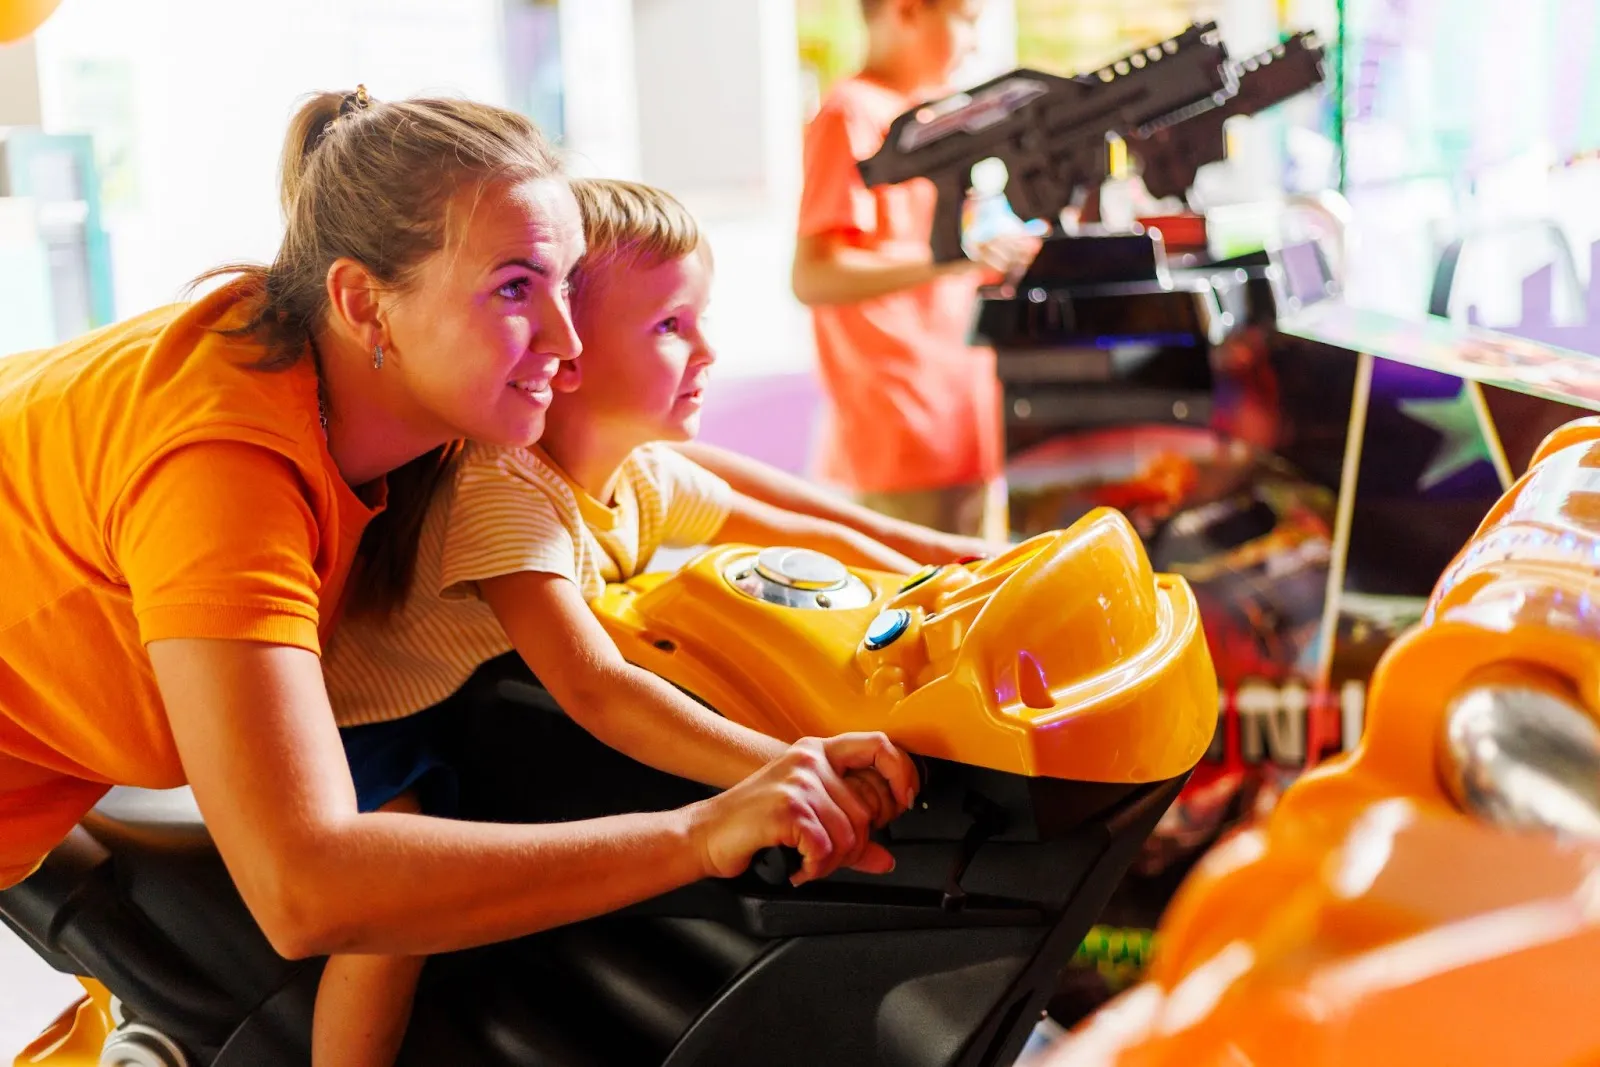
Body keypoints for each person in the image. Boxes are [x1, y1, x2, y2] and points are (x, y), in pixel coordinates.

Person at [0, 85, 918, 1045]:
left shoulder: (407, 397)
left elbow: (670, 471)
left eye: (565, 287)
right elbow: (305, 887)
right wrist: (703, 833)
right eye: (516, 287)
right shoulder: (223, 467)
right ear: (363, 302)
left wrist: (945, 561)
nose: (566, 343)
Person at [315, 177, 926, 1066]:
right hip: (369, 724)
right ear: (568, 356)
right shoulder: (506, 491)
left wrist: (960, 573)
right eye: (671, 327)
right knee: (397, 903)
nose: (709, 350)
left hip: (474, 713)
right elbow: (599, 690)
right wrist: (782, 771)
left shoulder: (636, 475)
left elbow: (818, 528)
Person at [791, 0, 1038, 540]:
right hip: (905, 425)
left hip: (962, 414)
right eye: (967, 22)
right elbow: (813, 275)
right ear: (907, 12)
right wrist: (953, 260)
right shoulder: (850, 113)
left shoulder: (930, 112)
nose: (974, 43)